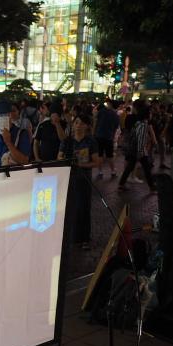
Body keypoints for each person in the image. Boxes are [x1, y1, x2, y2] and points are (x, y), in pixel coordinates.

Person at [58, 114, 99, 249]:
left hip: (84, 179)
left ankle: (84, 238)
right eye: (76, 122)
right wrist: (67, 162)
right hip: (68, 179)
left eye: (81, 123)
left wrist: (82, 165)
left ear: (87, 126)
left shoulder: (90, 142)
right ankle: (70, 237)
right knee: (69, 207)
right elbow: (59, 158)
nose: (78, 125)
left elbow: (97, 161)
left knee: (84, 208)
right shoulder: (67, 141)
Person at [118, 100, 156, 193]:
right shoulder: (143, 124)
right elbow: (140, 140)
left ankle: (121, 184)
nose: (151, 114)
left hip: (134, 149)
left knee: (130, 167)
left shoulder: (138, 122)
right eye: (149, 113)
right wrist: (140, 152)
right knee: (146, 168)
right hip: (138, 151)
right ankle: (152, 188)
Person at [0, 100, 31, 168]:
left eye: (4, 115)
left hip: (14, 174)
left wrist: (8, 142)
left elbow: (25, 161)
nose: (1, 118)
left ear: (10, 116)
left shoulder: (21, 134)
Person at [94, 101, 120, 178]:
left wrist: (94, 132)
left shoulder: (102, 111)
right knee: (110, 156)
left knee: (99, 155)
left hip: (99, 136)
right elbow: (115, 128)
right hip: (109, 137)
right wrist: (112, 137)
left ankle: (100, 172)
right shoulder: (116, 116)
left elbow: (96, 121)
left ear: (111, 105)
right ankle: (113, 172)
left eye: (108, 104)